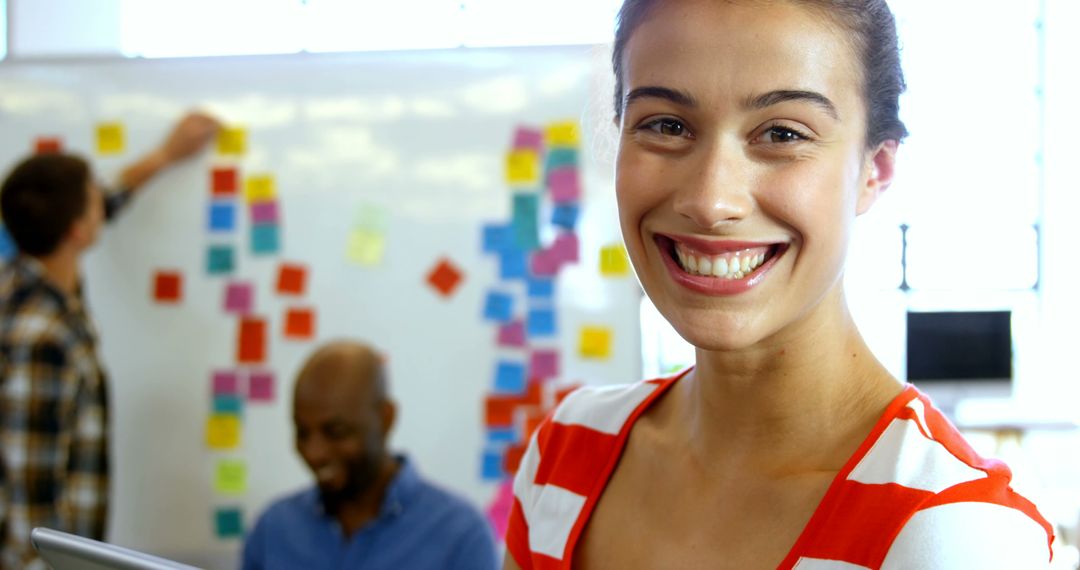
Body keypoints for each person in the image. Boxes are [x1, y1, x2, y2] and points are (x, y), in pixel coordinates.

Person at [505, 1, 1054, 569]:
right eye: (666, 125)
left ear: (877, 169)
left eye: (783, 132)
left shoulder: (954, 531)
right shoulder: (565, 452)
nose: (711, 201)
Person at [0, 111, 220, 569]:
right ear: (78, 231)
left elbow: (109, 199)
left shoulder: (28, 281)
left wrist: (165, 155)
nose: (103, 202)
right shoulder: (42, 337)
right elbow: (30, 504)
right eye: (93, 200)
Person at [242, 340, 498, 570]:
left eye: (336, 432)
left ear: (385, 418)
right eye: (302, 432)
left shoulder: (460, 535)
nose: (314, 452)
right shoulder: (274, 528)